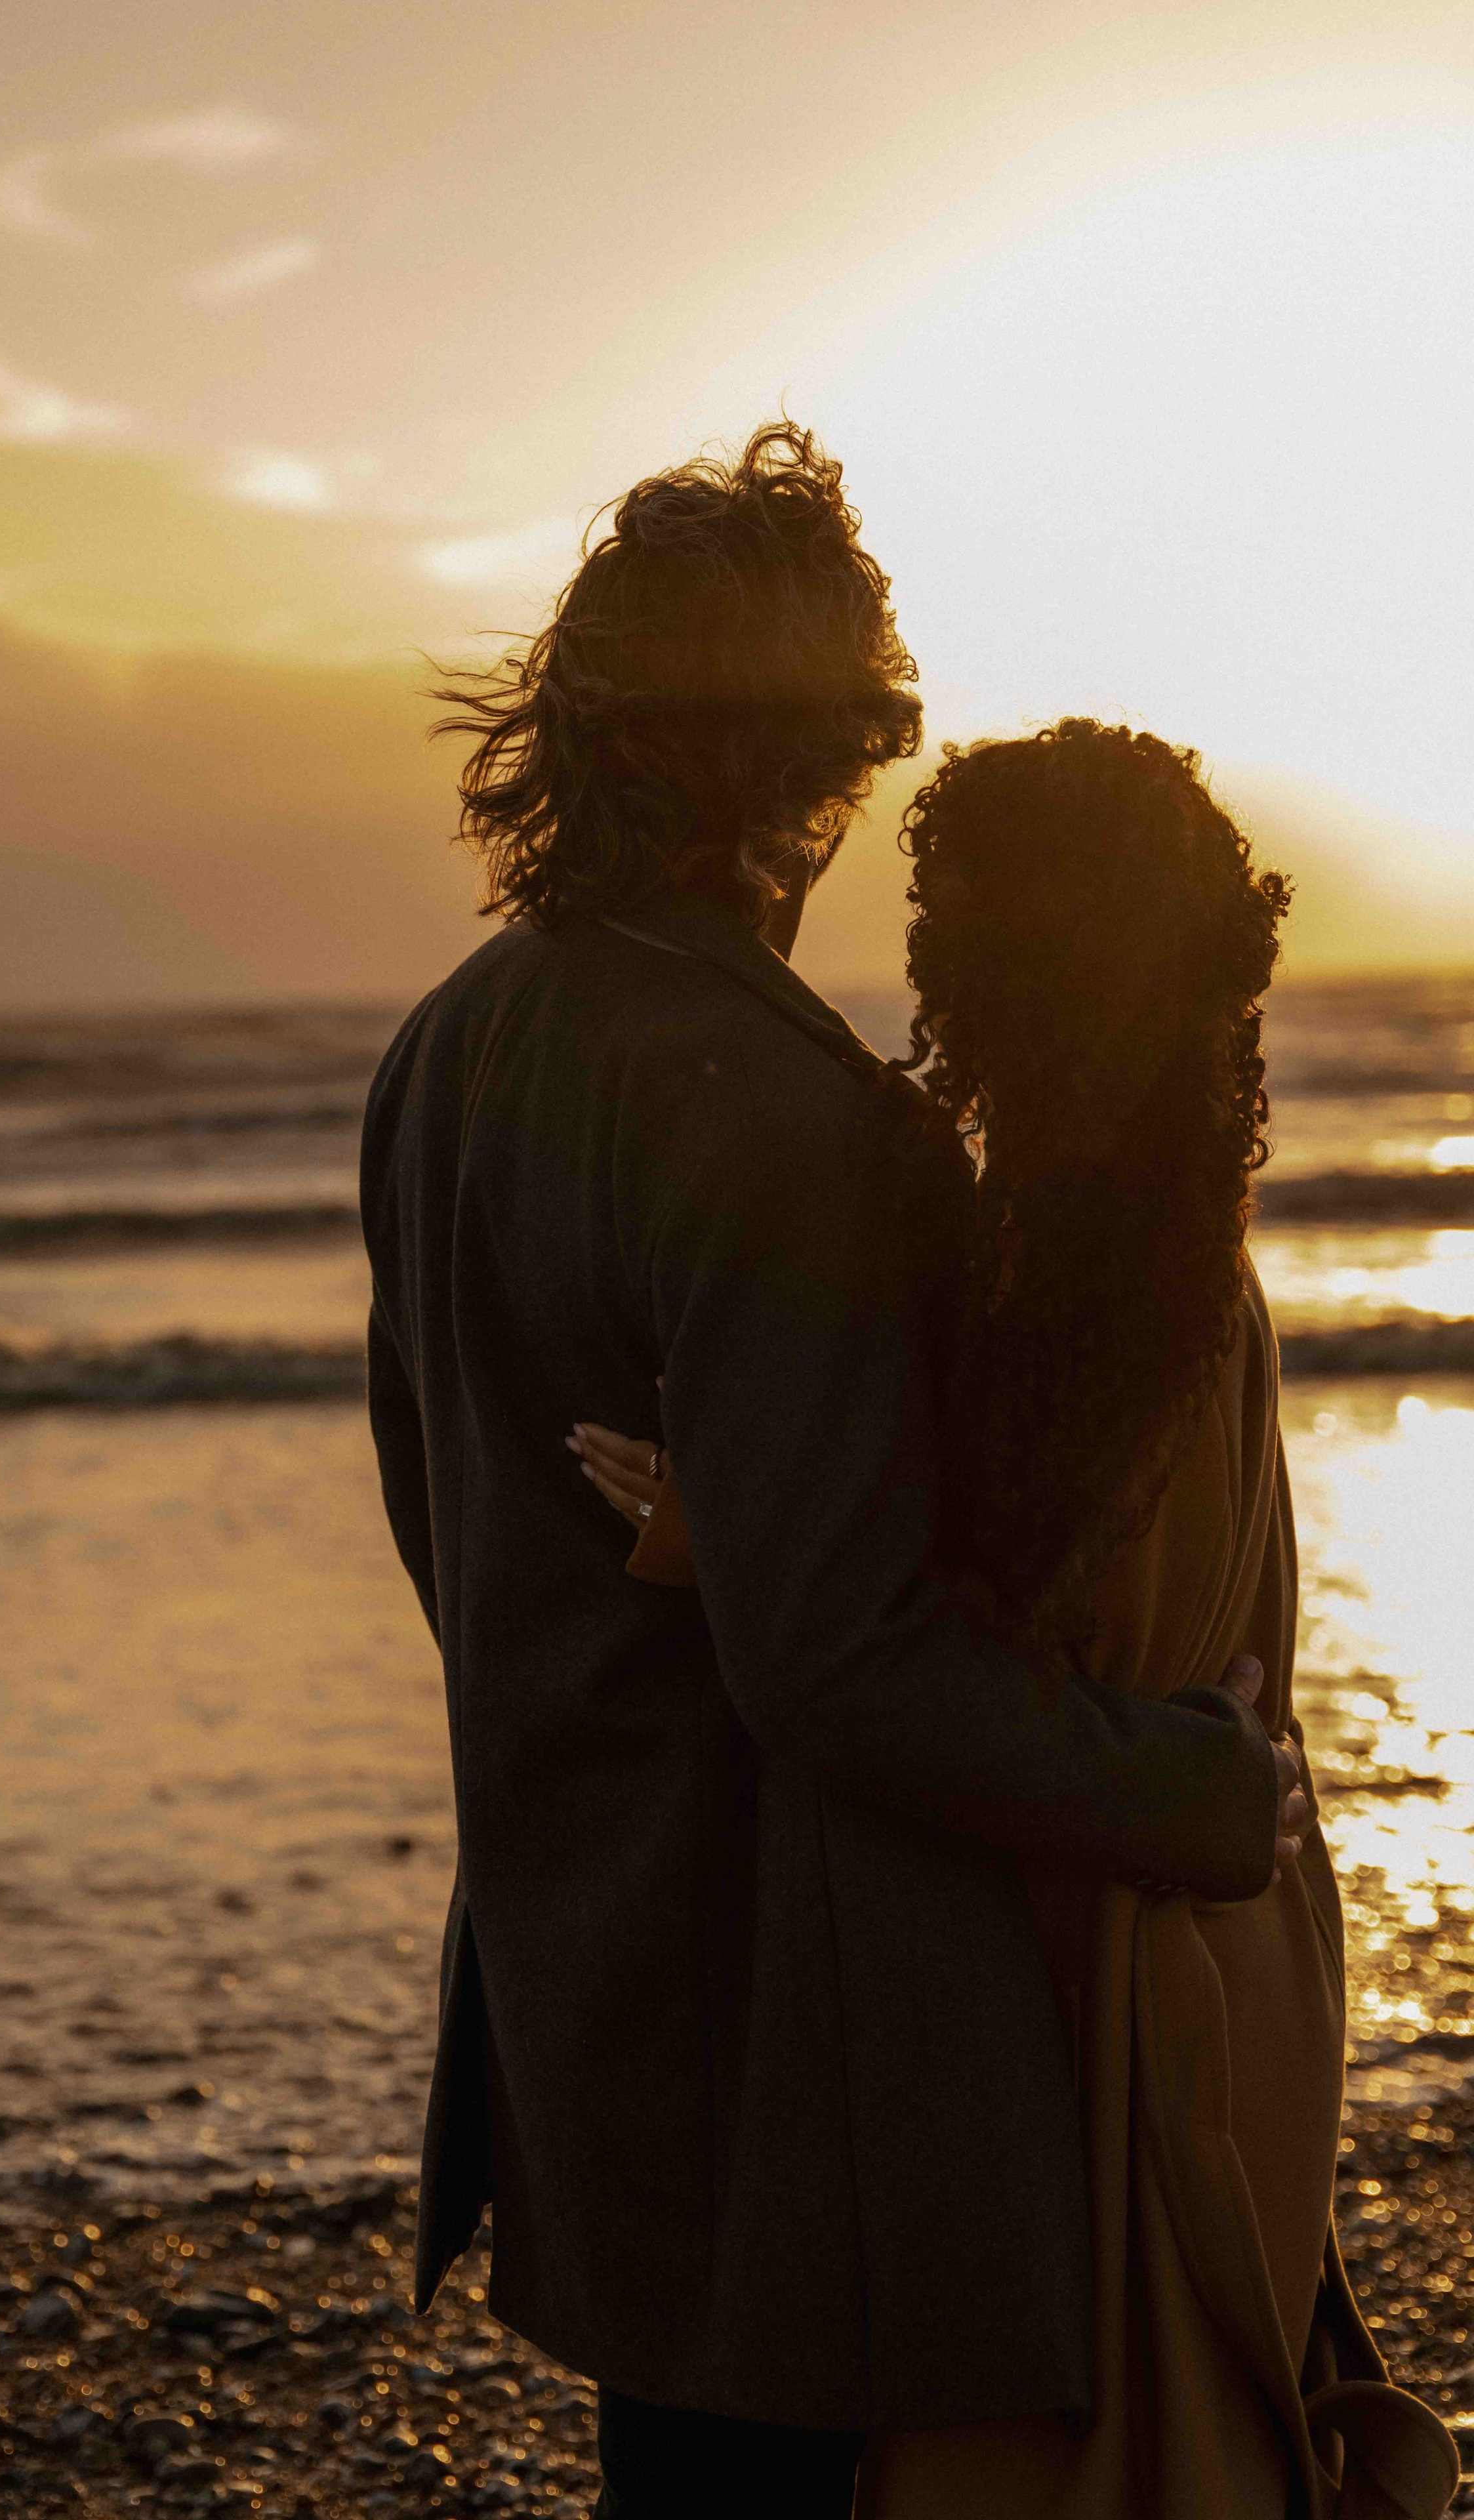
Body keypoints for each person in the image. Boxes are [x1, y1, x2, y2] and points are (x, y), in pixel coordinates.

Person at [359, 425, 1300, 2520]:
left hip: (574, 1976)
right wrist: (1192, 1782)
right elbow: (839, 1656)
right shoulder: (797, 1119)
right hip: (807, 2054)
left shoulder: (447, 1044)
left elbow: (451, 1518)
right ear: (819, 749)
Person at [577, 721, 1459, 2519]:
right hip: (1222, 1932)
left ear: (1054, 960)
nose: (929, 975)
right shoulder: (1152, 1211)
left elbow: (967, 1638)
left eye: (964, 933)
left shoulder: (1092, 1261)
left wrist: (719, 1540)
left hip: (1138, 1965)